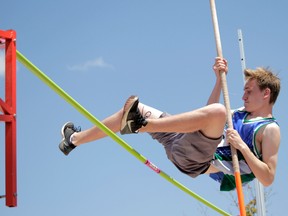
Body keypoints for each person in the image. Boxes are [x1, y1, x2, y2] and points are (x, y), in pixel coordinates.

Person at [58, 57, 281, 191]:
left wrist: (242, 147)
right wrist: (217, 80)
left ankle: (141, 125)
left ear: (266, 94)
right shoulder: (240, 113)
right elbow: (206, 114)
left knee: (218, 112)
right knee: (136, 110)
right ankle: (74, 141)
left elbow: (268, 178)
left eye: (249, 91)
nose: (243, 96)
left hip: (198, 160)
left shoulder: (269, 129)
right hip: (184, 140)